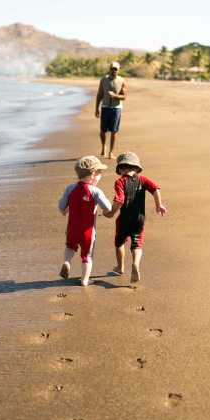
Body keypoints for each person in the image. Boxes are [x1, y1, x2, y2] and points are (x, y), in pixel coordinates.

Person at [103, 151, 167, 284]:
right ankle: (136, 264)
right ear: (137, 168)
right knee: (137, 243)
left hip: (124, 219)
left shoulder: (120, 181)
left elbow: (119, 200)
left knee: (119, 242)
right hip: (140, 219)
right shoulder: (142, 180)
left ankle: (120, 267)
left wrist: (111, 213)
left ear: (120, 168)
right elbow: (155, 189)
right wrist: (158, 205)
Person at [58, 156, 113, 286]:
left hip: (71, 229)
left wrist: (65, 210)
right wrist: (104, 211)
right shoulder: (95, 191)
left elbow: (61, 206)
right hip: (88, 232)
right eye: (100, 173)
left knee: (70, 247)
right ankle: (84, 280)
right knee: (87, 256)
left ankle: (66, 262)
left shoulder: (70, 188)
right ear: (93, 175)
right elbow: (108, 208)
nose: (100, 176)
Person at [95, 61, 127, 159]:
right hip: (105, 107)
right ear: (109, 69)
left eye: (115, 69)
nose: (114, 71)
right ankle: (103, 147)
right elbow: (99, 95)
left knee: (114, 131)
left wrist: (115, 95)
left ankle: (111, 152)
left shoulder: (122, 80)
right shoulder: (103, 80)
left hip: (116, 108)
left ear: (118, 70)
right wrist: (96, 108)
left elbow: (124, 96)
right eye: (112, 69)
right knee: (102, 131)